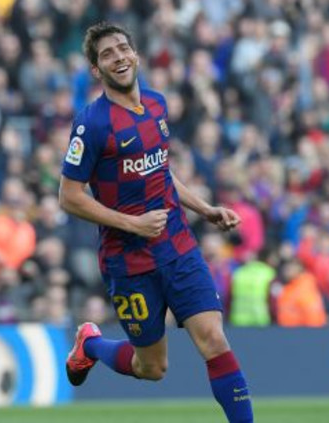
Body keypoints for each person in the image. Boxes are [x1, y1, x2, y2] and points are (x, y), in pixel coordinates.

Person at [58, 23, 253, 423]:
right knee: (152, 368)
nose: (118, 57)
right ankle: (90, 344)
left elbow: (160, 171)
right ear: (96, 69)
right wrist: (133, 225)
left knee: (214, 338)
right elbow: (69, 197)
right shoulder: (92, 124)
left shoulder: (157, 105)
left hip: (178, 245)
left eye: (122, 48)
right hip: (128, 260)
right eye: (107, 54)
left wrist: (205, 208)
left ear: (136, 54)